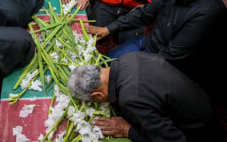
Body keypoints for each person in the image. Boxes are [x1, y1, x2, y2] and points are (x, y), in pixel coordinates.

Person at [85, 0, 227, 97]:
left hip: (171, 66)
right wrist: (108, 29)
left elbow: (171, 57)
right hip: (149, 43)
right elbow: (144, 13)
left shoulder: (208, 12)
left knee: (118, 80)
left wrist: (129, 67)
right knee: (104, 64)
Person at [68, 52, 218, 142]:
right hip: (201, 99)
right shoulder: (127, 58)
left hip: (197, 129)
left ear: (97, 95)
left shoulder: (131, 99)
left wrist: (128, 130)